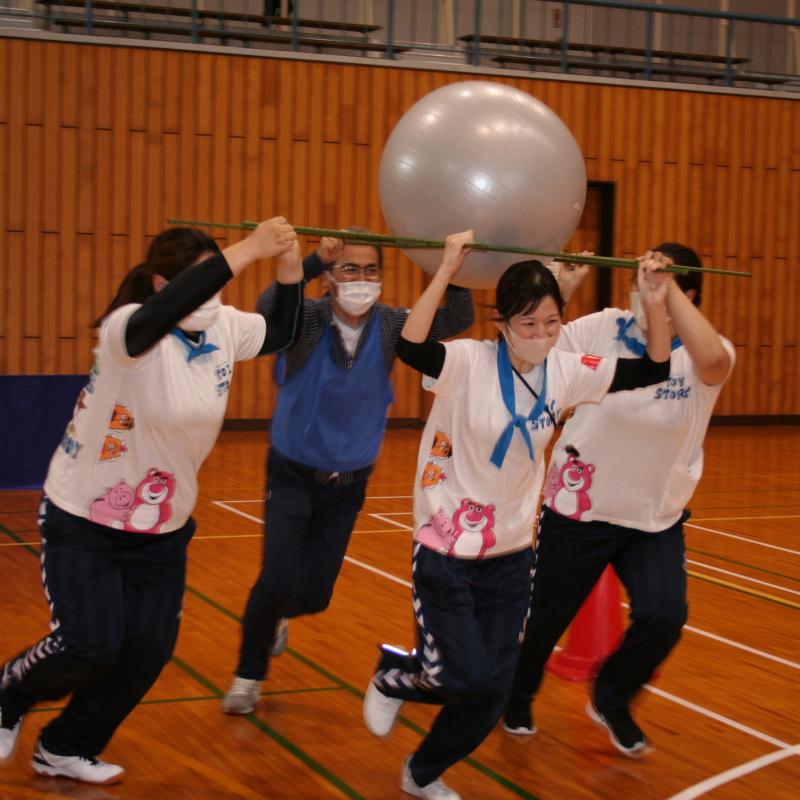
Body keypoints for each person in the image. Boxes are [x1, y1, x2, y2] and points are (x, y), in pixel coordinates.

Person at [362, 232, 674, 800]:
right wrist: (448, 267)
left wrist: (654, 301)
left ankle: (423, 772)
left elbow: (654, 368)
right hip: (445, 548)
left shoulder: (567, 368)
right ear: (502, 323)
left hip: (510, 556)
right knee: (457, 678)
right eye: (528, 325)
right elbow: (410, 348)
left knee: (493, 689)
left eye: (552, 324)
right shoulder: (466, 362)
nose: (541, 337)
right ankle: (396, 675)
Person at [0, 218, 304, 784]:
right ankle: (8, 693)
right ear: (165, 286)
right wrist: (247, 250)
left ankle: (65, 745)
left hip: (163, 529)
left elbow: (284, 330)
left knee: (147, 650)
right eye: (202, 282)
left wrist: (288, 264)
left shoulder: (222, 328)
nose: (215, 296)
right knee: (88, 645)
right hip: (84, 517)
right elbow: (160, 316)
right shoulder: (126, 332)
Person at [222, 229, 475, 715]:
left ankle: (272, 618)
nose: (361, 278)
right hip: (292, 473)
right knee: (275, 579)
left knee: (314, 595)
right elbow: (270, 301)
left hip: (350, 482)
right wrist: (314, 260)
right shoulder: (307, 319)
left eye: (370, 270)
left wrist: (449, 263)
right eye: (350, 269)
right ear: (332, 279)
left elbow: (458, 317)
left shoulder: (394, 325)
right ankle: (248, 675)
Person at [504, 244, 735, 757]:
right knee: (543, 616)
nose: (643, 289)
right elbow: (533, 355)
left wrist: (667, 293)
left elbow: (716, 365)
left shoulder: (704, 349)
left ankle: (611, 696)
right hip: (579, 507)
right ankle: (516, 697)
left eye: (659, 282)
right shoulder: (603, 327)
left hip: (653, 515)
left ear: (687, 293)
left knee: (665, 615)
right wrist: (560, 287)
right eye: (641, 279)